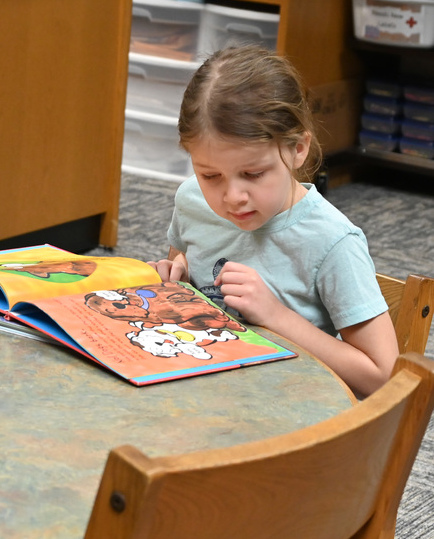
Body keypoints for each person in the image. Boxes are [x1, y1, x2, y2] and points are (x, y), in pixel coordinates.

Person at [149, 46, 397, 398]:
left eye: (253, 173)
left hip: (286, 409)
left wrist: (276, 316)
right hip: (198, 392)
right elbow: (183, 265)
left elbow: (383, 377)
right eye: (210, 175)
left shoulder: (332, 242)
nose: (232, 196)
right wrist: (175, 278)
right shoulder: (193, 200)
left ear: (298, 149)